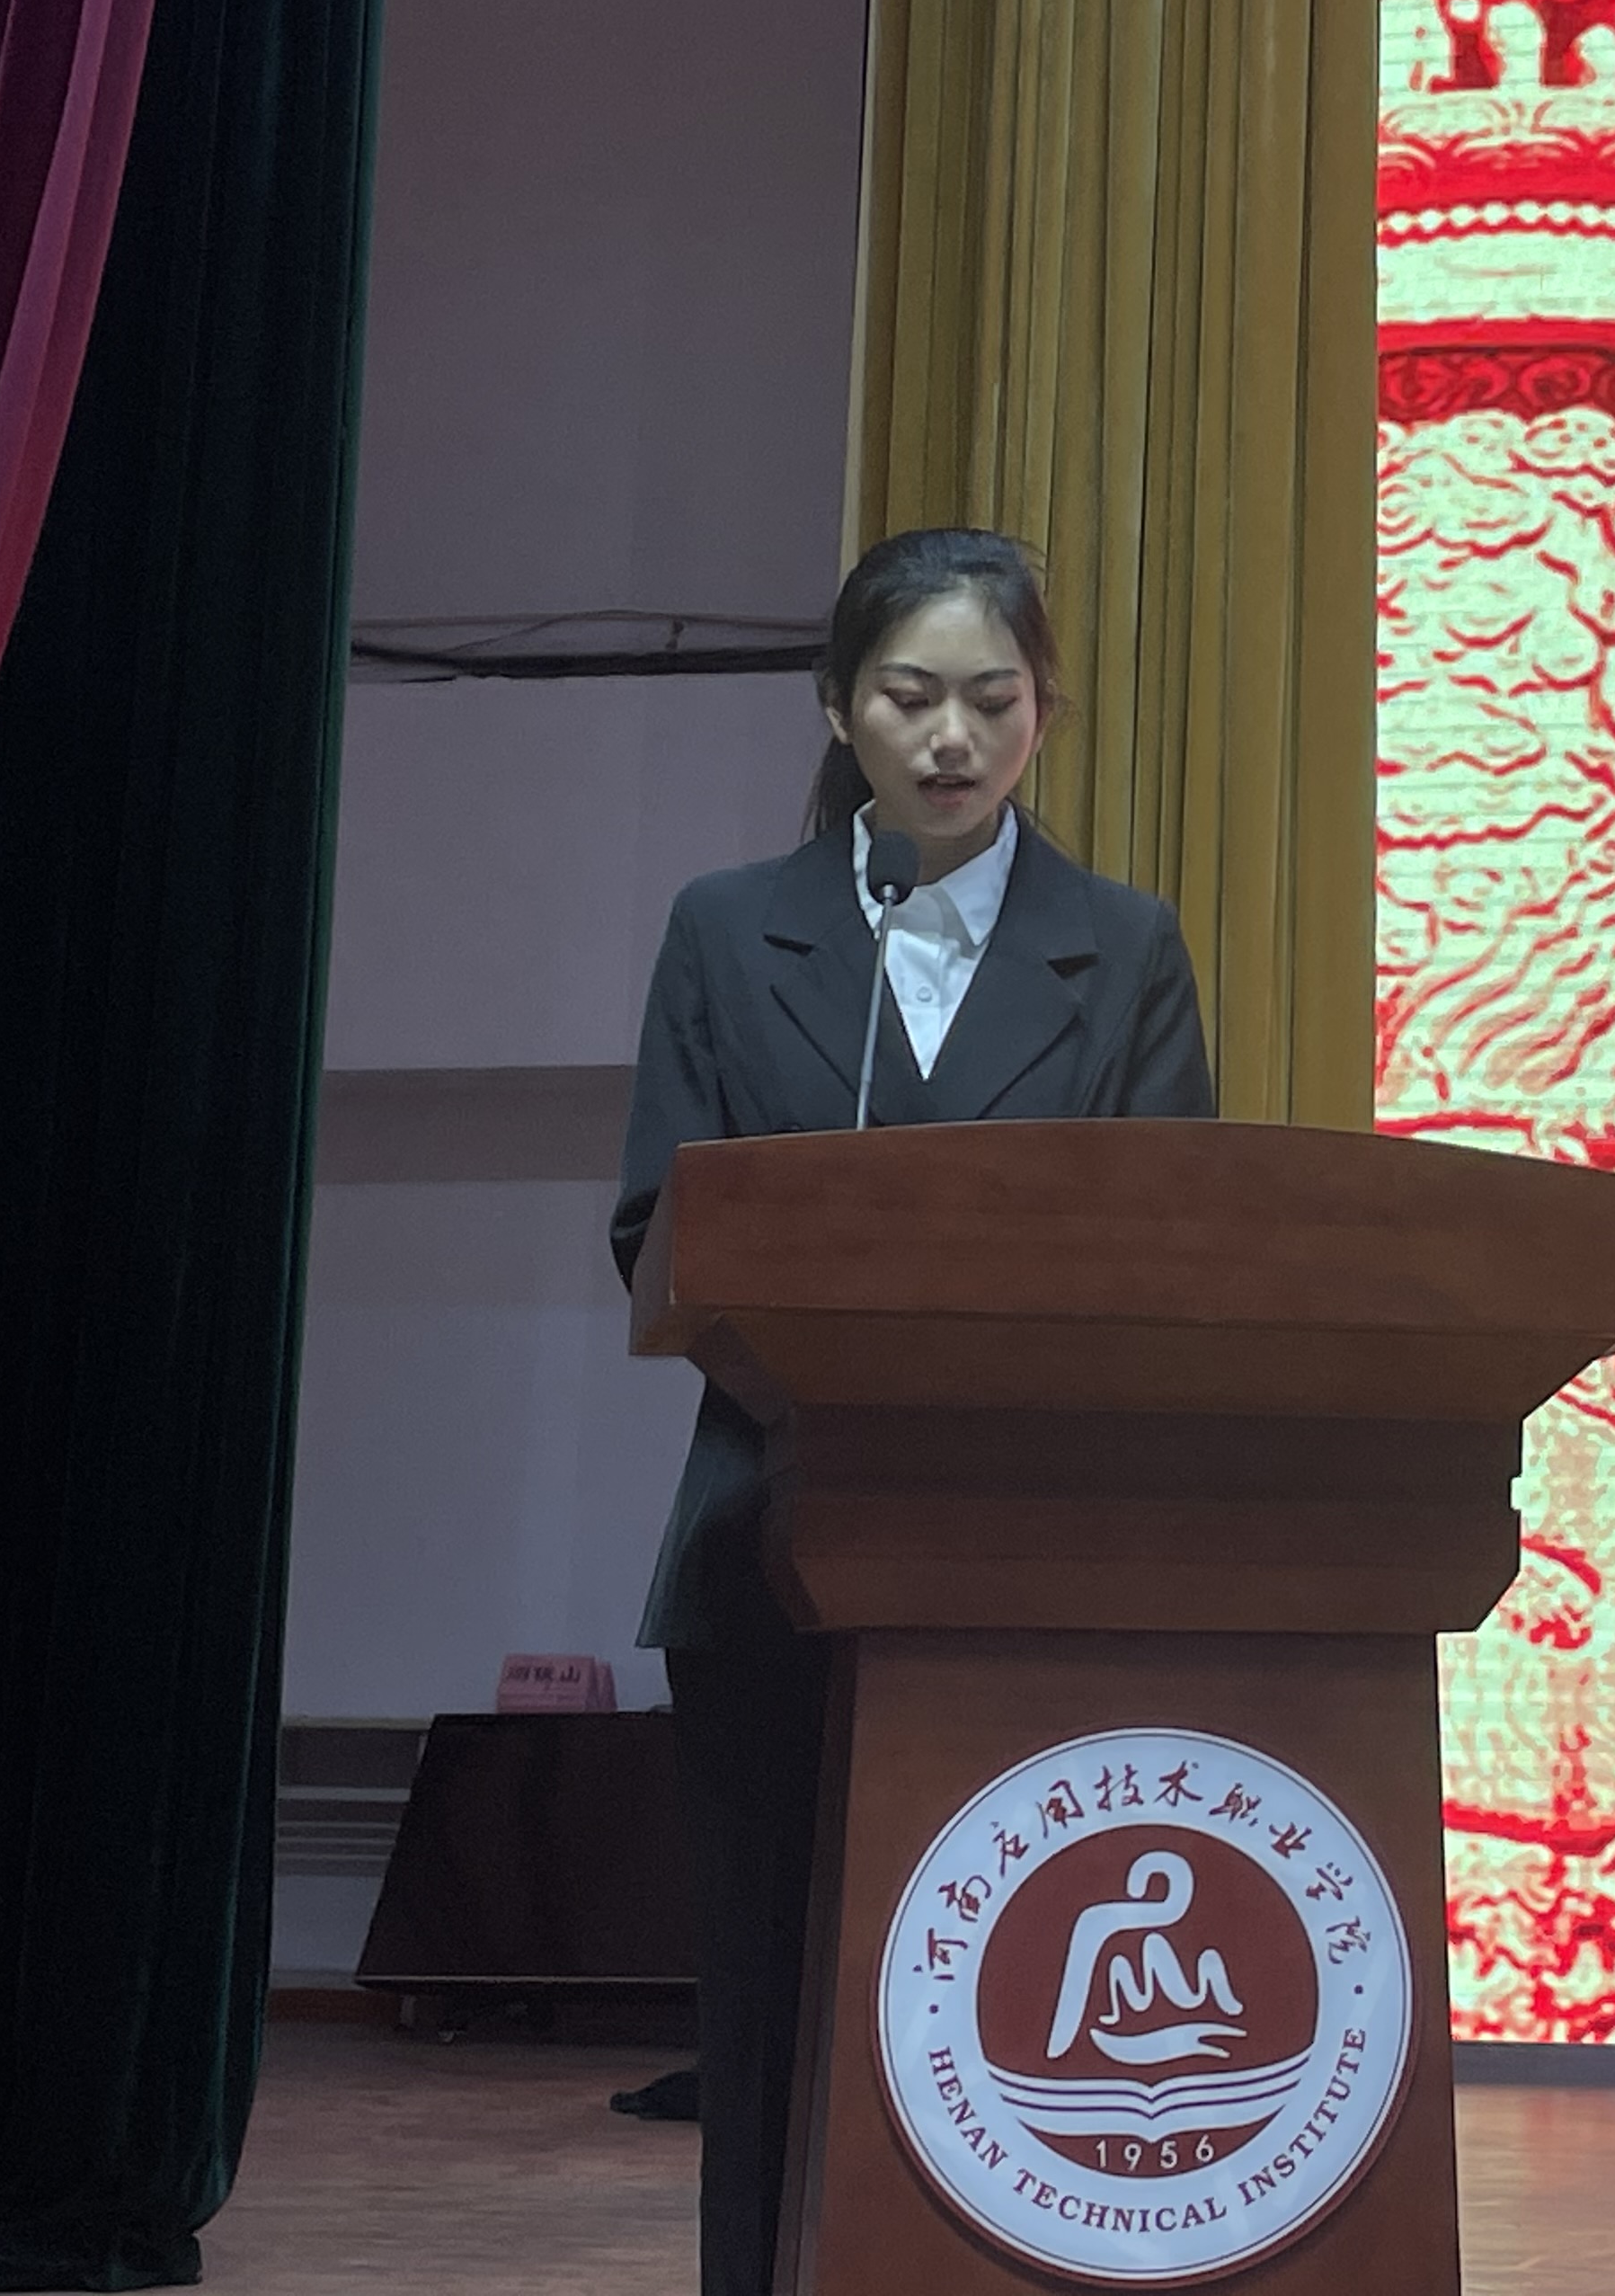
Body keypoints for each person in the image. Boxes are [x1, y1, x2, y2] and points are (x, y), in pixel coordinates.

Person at [609, 528, 1215, 2296]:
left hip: (1036, 1565)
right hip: (771, 1539)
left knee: (1008, 2005)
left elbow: (1171, 1246)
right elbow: (658, 1230)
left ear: (1045, 713)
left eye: (992, 701)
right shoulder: (730, 930)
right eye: (910, 697)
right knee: (774, 2002)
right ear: (838, 707)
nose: (952, 738)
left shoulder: (1126, 945)